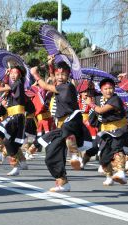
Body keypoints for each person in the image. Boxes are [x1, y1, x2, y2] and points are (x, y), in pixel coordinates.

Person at [31, 58, 92, 192]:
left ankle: (75, 155)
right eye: (58, 74)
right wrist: (50, 65)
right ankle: (62, 181)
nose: (59, 77)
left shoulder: (68, 86)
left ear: (68, 75)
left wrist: (35, 75)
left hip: (72, 120)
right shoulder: (60, 84)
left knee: (67, 130)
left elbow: (47, 86)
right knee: (51, 154)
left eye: (63, 74)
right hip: (61, 124)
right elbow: (53, 79)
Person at [86, 78, 128, 186]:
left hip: (119, 130)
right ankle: (109, 176)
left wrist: (90, 104)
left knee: (117, 149)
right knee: (104, 157)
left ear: (114, 89)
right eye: (105, 89)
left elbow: (100, 110)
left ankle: (121, 173)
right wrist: (90, 89)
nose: (108, 91)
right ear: (101, 90)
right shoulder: (101, 99)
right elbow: (94, 99)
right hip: (106, 132)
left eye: (110, 88)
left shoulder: (115, 99)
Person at [0, 65, 28, 176]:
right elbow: (6, 87)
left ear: (19, 75)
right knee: (9, 142)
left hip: (17, 116)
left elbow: (1, 88)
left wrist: (0, 81)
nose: (13, 75)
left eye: (15, 73)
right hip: (14, 115)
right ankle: (17, 166)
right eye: (11, 73)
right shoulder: (14, 86)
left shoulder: (18, 83)